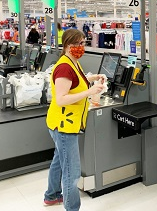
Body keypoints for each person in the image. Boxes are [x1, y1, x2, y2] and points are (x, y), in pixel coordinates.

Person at [44, 29, 105, 211]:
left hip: (62, 123)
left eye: (83, 43)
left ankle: (51, 196)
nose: (81, 47)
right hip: (64, 126)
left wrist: (91, 78)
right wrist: (90, 91)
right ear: (67, 46)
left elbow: (75, 82)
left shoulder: (72, 62)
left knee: (58, 160)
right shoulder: (64, 67)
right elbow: (61, 98)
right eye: (77, 44)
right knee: (72, 172)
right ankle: (72, 208)